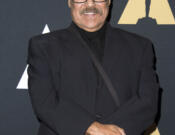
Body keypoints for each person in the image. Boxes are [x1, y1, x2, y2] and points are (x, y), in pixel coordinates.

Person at [27, 0, 160, 135]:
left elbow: (148, 101)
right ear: (69, 2)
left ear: (109, 1)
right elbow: (44, 100)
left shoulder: (140, 46)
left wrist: (111, 132)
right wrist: (90, 127)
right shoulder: (44, 46)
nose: (90, 4)